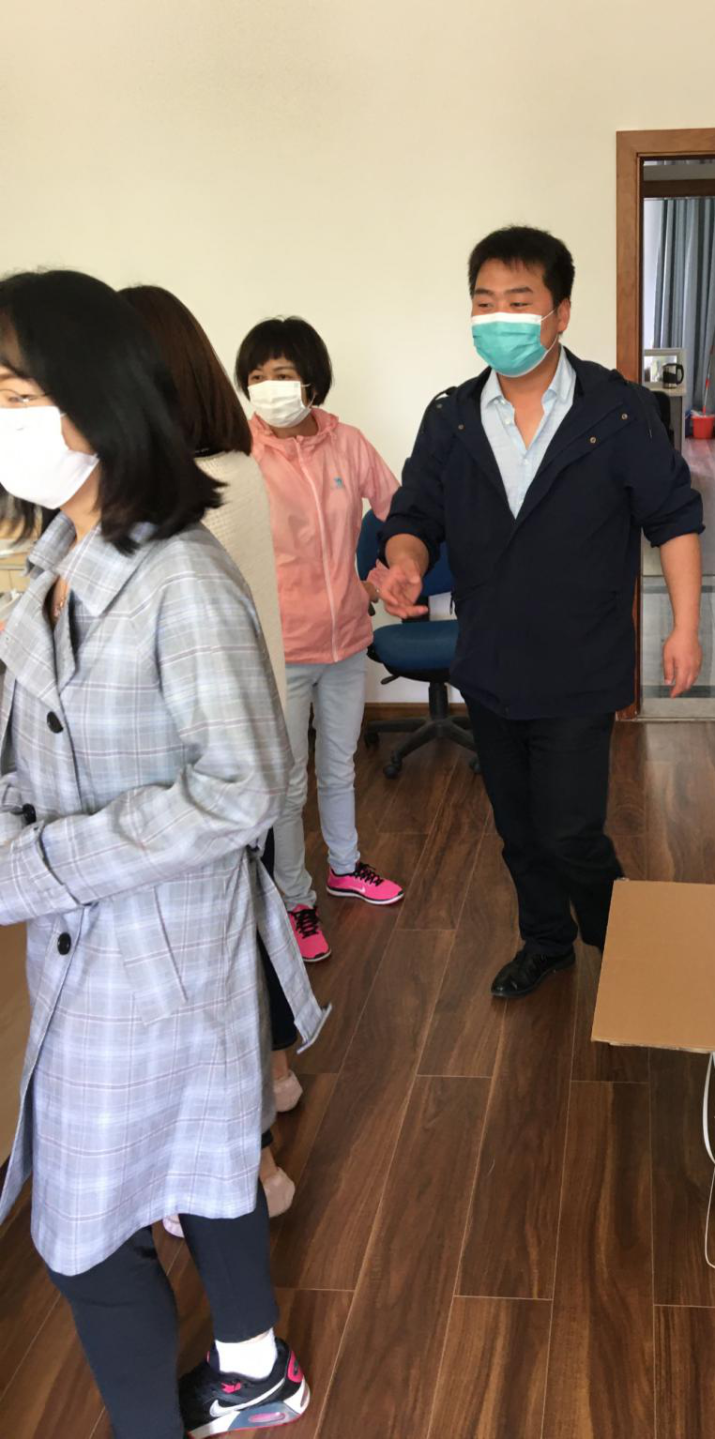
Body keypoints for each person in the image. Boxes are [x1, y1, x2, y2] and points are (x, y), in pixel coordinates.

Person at [0, 268, 326, 1439]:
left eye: (13, 395)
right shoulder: (55, 561)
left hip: (155, 960)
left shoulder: (178, 579)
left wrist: (38, 866)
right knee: (203, 1161)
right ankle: (255, 1372)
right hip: (94, 950)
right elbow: (28, 744)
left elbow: (244, 788)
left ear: (95, 398)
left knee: (83, 1236)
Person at [380, 225, 704, 999]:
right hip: (490, 661)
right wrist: (404, 562)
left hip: (580, 661)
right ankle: (546, 940)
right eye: (485, 302)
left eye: (519, 302)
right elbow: (414, 514)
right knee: (518, 828)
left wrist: (686, 627)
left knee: (570, 831)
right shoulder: (453, 417)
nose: (501, 318)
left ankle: (630, 947)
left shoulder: (617, 410)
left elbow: (674, 518)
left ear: (560, 313)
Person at [120, 284, 302, 1229]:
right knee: (250, 935)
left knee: (218, 964)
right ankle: (277, 1077)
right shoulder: (231, 468)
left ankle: (252, 1163)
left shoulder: (192, 495)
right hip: (247, 745)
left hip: (210, 765)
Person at [235, 316, 403, 963]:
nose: (269, 387)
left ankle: (345, 866)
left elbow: (400, 513)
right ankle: (293, 897)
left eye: (281, 374)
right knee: (286, 783)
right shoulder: (240, 456)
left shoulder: (347, 443)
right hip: (279, 652)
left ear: (310, 379)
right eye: (256, 376)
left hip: (347, 640)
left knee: (338, 765)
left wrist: (378, 580)